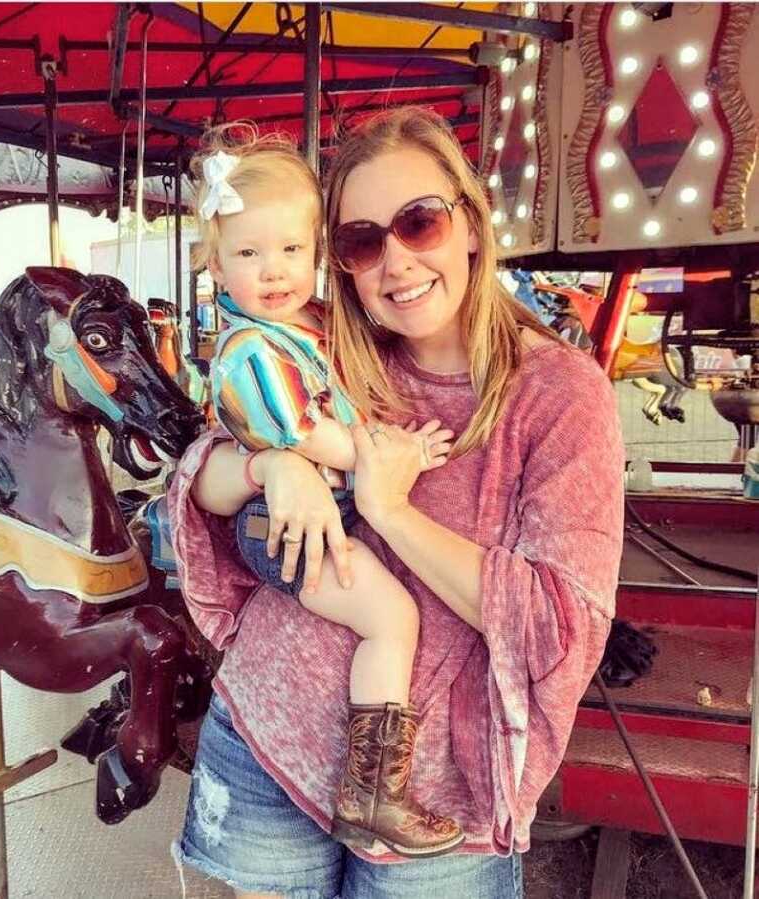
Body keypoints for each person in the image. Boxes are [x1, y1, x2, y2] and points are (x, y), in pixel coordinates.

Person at [169, 107, 624, 899]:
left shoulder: (556, 392)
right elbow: (198, 475)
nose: (397, 259)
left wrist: (391, 510)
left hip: (440, 789)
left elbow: (556, 623)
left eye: (420, 222)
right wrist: (273, 465)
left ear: (471, 224)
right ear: (341, 261)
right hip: (269, 730)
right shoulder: (336, 347)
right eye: (362, 239)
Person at [190, 125, 463, 857]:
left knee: (389, 613)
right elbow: (302, 430)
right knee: (390, 617)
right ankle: (374, 793)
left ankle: (373, 788)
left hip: (316, 510)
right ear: (215, 267)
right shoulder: (250, 349)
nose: (273, 271)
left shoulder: (309, 326)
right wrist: (390, 452)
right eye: (248, 254)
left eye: (291, 251)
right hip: (281, 525)